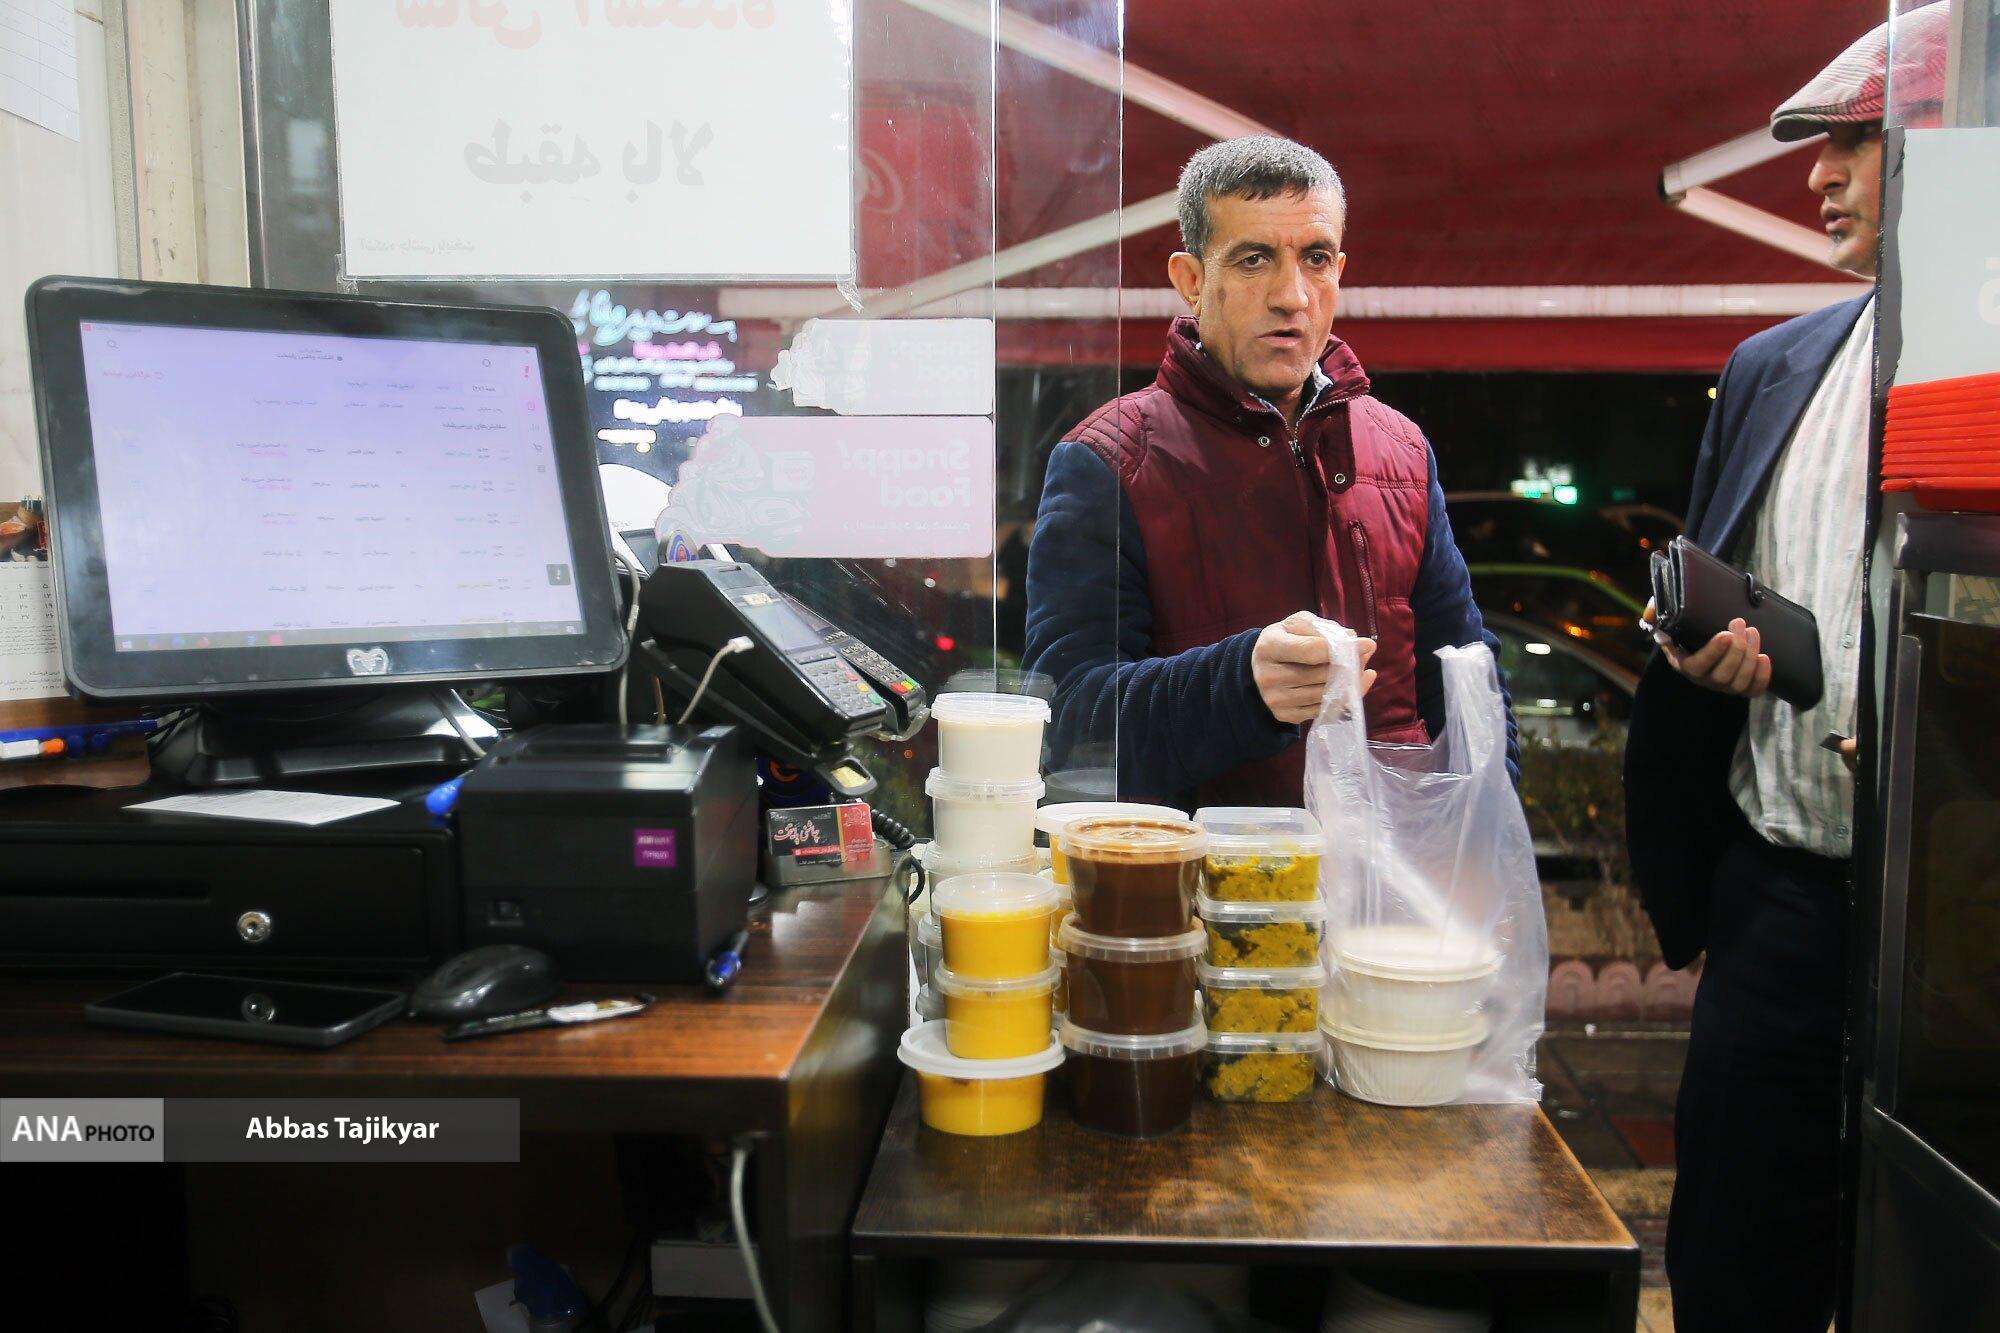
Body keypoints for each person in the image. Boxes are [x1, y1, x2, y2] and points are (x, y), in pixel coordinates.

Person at [1624, 7, 1949, 1329]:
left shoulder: (1979, 358)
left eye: (1853, 143)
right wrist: (1701, 652)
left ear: (1953, 148)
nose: (1816, 174)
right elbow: (1727, 577)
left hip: (1961, 927)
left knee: (1933, 1271)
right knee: (1732, 1273)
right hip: (1778, 906)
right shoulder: (1770, 367)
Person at [1023, 136, 1512, 810]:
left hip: (1387, 872)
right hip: (1198, 874)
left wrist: (1486, 834)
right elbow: (1067, 726)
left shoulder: (1402, 450)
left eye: (1316, 259)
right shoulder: (1108, 460)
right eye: (1254, 260)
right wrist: (1241, 685)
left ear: (1339, 270)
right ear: (1191, 281)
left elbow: (1465, 675)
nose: (1292, 295)